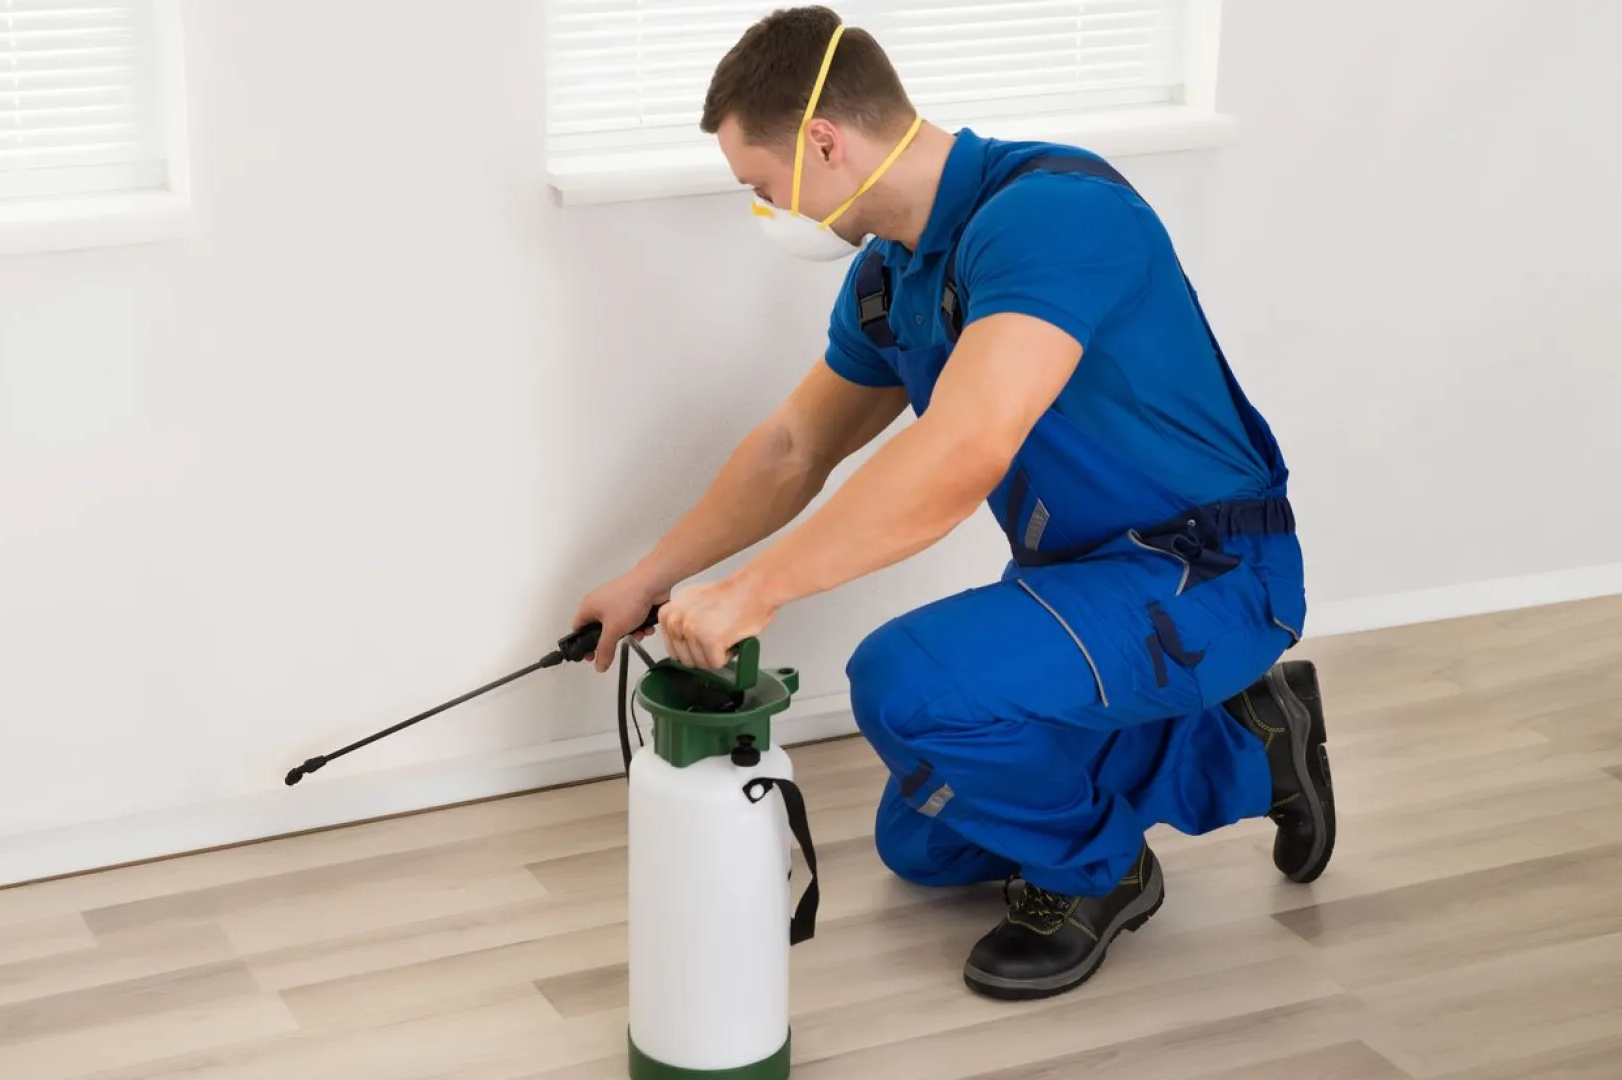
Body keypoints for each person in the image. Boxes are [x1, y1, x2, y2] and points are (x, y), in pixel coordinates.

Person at [572, 6, 1335, 1001]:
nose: (773, 212)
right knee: (924, 842)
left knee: (906, 685)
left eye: (763, 187)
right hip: (1090, 588)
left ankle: (1102, 877)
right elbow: (796, 446)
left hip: (1207, 573)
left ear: (823, 144)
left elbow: (962, 451)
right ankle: (1245, 736)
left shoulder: (1053, 217)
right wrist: (651, 579)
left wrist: (755, 593)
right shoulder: (893, 277)